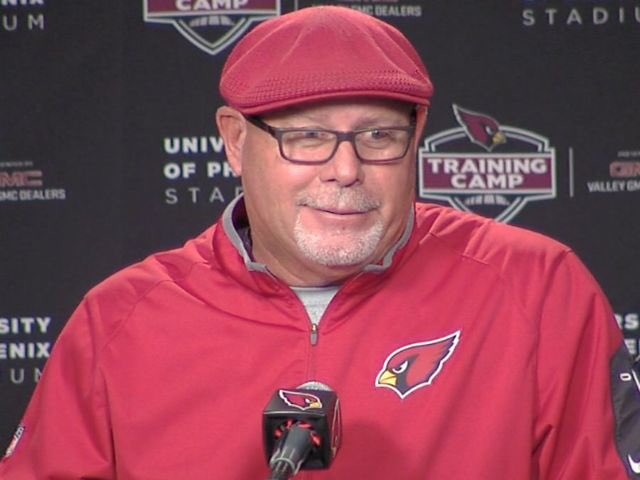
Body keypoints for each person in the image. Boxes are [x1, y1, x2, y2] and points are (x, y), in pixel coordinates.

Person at [1, 6, 639, 479]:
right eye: (307, 137)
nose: (345, 170)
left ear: (417, 132)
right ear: (235, 140)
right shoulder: (120, 322)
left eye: (378, 136)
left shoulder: (536, 288)